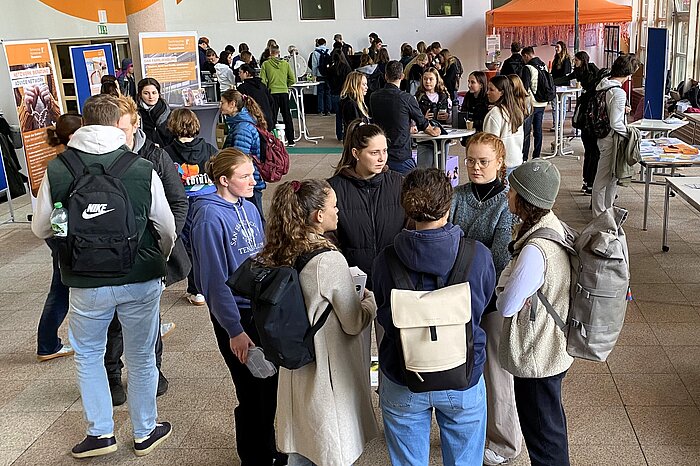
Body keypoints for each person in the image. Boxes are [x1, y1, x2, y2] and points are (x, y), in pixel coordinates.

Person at [31, 94, 176, 459]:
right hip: (140, 276)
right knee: (142, 356)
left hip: (84, 279)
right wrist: (158, 259)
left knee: (88, 355)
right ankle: (145, 432)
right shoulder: (142, 167)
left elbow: (40, 228)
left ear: (83, 124)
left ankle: (100, 434)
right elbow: (167, 226)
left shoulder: (58, 167)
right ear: (117, 125)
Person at [372, 168, 496, 466]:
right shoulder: (477, 255)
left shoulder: (386, 260)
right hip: (463, 374)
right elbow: (484, 304)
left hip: (403, 374)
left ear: (407, 207)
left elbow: (382, 310)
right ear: (448, 205)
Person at [259, 179, 378, 465]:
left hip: (294, 361)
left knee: (301, 448)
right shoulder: (328, 260)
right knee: (328, 445)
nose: (339, 211)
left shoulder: (279, 248)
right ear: (318, 216)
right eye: (333, 206)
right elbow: (352, 321)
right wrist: (369, 301)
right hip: (325, 369)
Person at [185, 148, 285, 466]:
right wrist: (235, 330)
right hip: (237, 314)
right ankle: (253, 457)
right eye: (245, 176)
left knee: (270, 386)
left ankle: (270, 449)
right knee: (251, 389)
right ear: (224, 180)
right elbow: (213, 281)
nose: (254, 181)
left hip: (261, 308)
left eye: (252, 174)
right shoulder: (208, 217)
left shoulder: (250, 207)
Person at [107, 95, 188, 405]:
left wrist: (164, 240)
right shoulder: (97, 158)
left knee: (148, 317)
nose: (116, 136)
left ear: (135, 124)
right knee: (113, 320)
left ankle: (153, 369)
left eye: (122, 129)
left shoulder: (154, 155)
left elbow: (178, 201)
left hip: (149, 253)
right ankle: (113, 372)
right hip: (110, 255)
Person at [450, 133, 523, 466]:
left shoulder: (506, 200)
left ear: (500, 163)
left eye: (483, 162)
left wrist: (458, 260)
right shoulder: (457, 195)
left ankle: (505, 441)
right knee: (457, 369)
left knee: (496, 372)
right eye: (470, 161)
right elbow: (442, 239)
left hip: (491, 299)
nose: (475, 167)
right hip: (456, 296)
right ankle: (467, 432)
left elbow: (497, 258)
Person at [496, 159, 573, 466]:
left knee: (542, 434)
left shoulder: (534, 249)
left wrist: (503, 282)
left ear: (525, 200)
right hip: (551, 345)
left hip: (537, 353)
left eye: (512, 190)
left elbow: (508, 305)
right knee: (551, 425)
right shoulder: (551, 224)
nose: (507, 195)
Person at [328, 120, 405, 289]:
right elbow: (328, 238)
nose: (381, 158)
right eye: (374, 152)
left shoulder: (399, 183)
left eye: (384, 151)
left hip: (394, 279)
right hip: (352, 282)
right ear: (356, 153)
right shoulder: (333, 189)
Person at [36, 114, 82, 363]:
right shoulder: (68, 165)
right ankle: (46, 343)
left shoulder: (54, 165)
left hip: (60, 234)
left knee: (61, 288)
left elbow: (41, 223)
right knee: (60, 289)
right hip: (71, 236)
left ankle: (47, 343)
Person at [163, 107, 217, 307]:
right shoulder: (210, 149)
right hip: (208, 202)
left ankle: (196, 290)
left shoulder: (166, 154)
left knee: (189, 249)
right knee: (208, 244)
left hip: (181, 205)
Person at [370, 60, 440, 175]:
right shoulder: (407, 98)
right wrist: (435, 130)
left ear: (385, 76)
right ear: (402, 76)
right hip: (400, 155)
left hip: (380, 153)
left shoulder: (374, 97)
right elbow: (424, 125)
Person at [592, 54, 639, 216]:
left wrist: (622, 110)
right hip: (611, 138)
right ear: (629, 74)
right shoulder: (618, 93)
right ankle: (599, 215)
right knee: (604, 178)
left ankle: (607, 211)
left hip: (601, 135)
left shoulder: (604, 84)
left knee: (610, 177)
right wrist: (631, 133)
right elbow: (616, 123)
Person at [219, 89, 268, 220]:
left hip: (249, 180)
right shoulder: (241, 124)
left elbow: (239, 158)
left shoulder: (242, 128)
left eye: (222, 102)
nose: (220, 105)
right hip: (250, 179)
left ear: (232, 104)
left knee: (254, 217)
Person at [561, 51, 601, 193]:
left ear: (582, 60)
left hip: (586, 116)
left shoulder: (591, 70)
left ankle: (589, 181)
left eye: (576, 60)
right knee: (591, 152)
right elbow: (566, 78)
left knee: (591, 152)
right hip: (587, 118)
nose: (574, 63)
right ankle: (588, 182)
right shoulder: (579, 72)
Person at [484, 75, 524, 176]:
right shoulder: (516, 111)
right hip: (517, 161)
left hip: (502, 166)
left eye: (491, 90)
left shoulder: (495, 113)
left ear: (501, 92)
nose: (487, 92)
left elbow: (489, 144)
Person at [414, 67, 452, 168]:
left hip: (443, 138)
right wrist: (422, 118)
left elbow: (452, 116)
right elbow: (413, 119)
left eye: (431, 79)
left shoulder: (445, 96)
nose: (428, 82)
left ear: (437, 80)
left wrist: (448, 117)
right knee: (424, 171)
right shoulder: (417, 97)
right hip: (425, 139)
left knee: (441, 169)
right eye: (425, 79)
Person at [260, 45, 296, 146]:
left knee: (273, 117)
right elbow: (292, 79)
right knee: (287, 115)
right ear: (279, 52)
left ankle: (272, 139)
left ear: (270, 53)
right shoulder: (285, 64)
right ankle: (291, 139)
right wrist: (285, 85)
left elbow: (262, 80)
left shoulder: (266, 64)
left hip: (272, 93)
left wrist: (267, 88)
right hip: (284, 92)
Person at [521, 46, 549, 160]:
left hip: (531, 104)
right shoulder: (543, 65)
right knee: (538, 130)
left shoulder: (528, 68)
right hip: (542, 102)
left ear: (526, 55)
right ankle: (536, 156)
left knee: (526, 132)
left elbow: (525, 87)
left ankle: (524, 157)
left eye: (524, 57)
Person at [237, 63, 276, 131]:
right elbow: (271, 101)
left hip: (255, 122)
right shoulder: (262, 85)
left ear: (246, 73)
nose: (239, 75)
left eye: (240, 72)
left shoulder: (242, 88)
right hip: (268, 120)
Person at [137, 78, 174, 148]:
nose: (151, 97)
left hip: (167, 152)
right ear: (140, 94)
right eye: (146, 93)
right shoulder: (135, 113)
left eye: (154, 93)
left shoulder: (166, 111)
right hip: (145, 152)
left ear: (158, 94)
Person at [327, 49, 353, 141]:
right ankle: (346, 134)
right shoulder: (346, 68)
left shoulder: (330, 69)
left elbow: (328, 82)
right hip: (344, 94)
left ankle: (339, 135)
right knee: (346, 116)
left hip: (334, 94)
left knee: (338, 116)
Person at [339, 71, 370, 139]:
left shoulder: (358, 102)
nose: (366, 87)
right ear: (356, 85)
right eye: (364, 84)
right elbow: (355, 126)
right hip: (356, 141)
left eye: (366, 84)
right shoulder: (351, 104)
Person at [550, 41, 572, 130]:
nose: (556, 49)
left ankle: (560, 124)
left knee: (562, 105)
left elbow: (565, 74)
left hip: (563, 86)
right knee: (555, 105)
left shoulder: (566, 60)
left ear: (562, 48)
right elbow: (553, 72)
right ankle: (555, 123)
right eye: (555, 47)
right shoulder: (555, 59)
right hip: (555, 84)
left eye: (558, 47)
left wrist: (555, 81)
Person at [310, 38, 332, 116]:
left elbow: (314, 65)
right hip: (328, 75)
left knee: (320, 93)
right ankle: (328, 110)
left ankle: (320, 111)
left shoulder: (315, 52)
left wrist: (314, 75)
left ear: (318, 44)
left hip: (320, 75)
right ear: (325, 43)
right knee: (328, 92)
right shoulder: (329, 51)